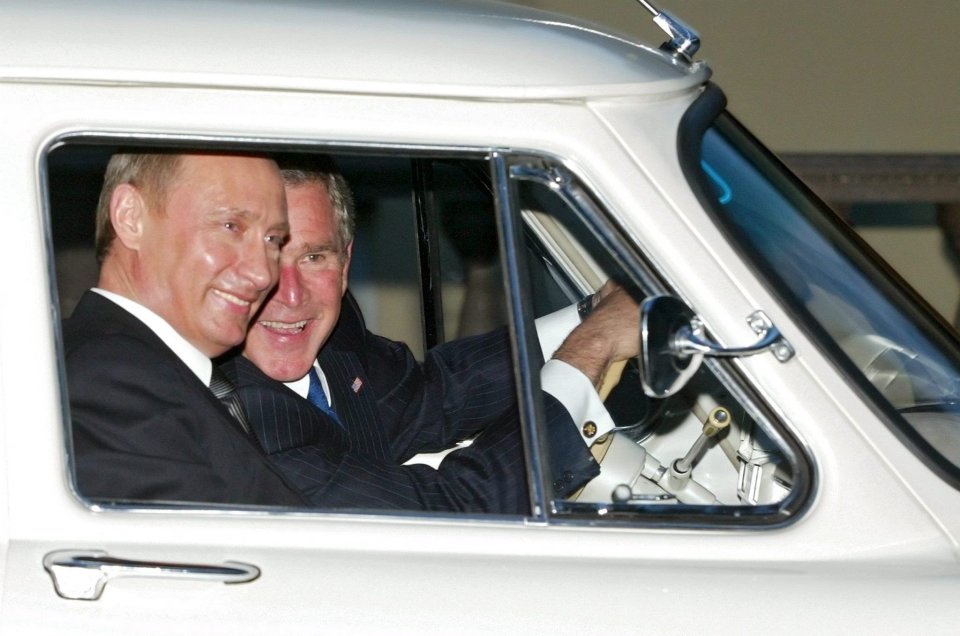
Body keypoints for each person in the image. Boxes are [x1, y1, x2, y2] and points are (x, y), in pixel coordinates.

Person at [219, 155, 641, 513]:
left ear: (345, 261)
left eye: (314, 256)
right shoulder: (238, 425)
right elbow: (457, 509)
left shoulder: (332, 331)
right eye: (269, 255)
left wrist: (590, 315)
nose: (291, 296)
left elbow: (433, 396)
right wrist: (594, 348)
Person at [64, 151, 307, 506]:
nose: (263, 274)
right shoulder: (108, 381)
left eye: (272, 240)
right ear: (131, 217)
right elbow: (188, 555)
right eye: (231, 227)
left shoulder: (160, 375)